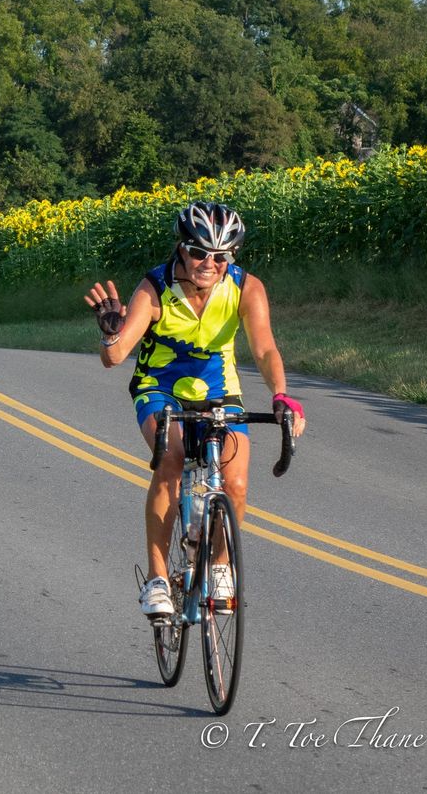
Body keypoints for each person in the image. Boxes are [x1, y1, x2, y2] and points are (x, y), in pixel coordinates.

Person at [83, 202, 307, 617]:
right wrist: (111, 333)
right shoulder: (154, 288)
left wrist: (281, 395)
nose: (210, 263)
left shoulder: (246, 287)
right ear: (181, 249)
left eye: (222, 256)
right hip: (159, 386)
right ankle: (156, 580)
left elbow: (264, 347)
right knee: (170, 456)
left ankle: (220, 565)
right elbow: (114, 359)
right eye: (200, 252)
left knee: (235, 483)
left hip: (219, 388)